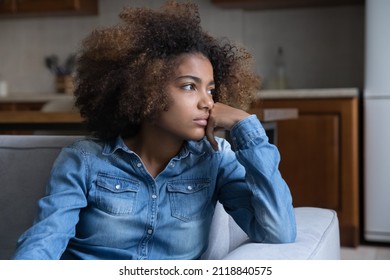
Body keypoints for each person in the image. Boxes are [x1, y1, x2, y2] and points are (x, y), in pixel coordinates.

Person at [13, 0, 296, 260]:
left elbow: (278, 232)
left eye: (211, 89)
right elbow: (44, 243)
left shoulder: (215, 158)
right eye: (189, 86)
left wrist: (245, 127)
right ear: (144, 90)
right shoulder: (84, 160)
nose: (207, 102)